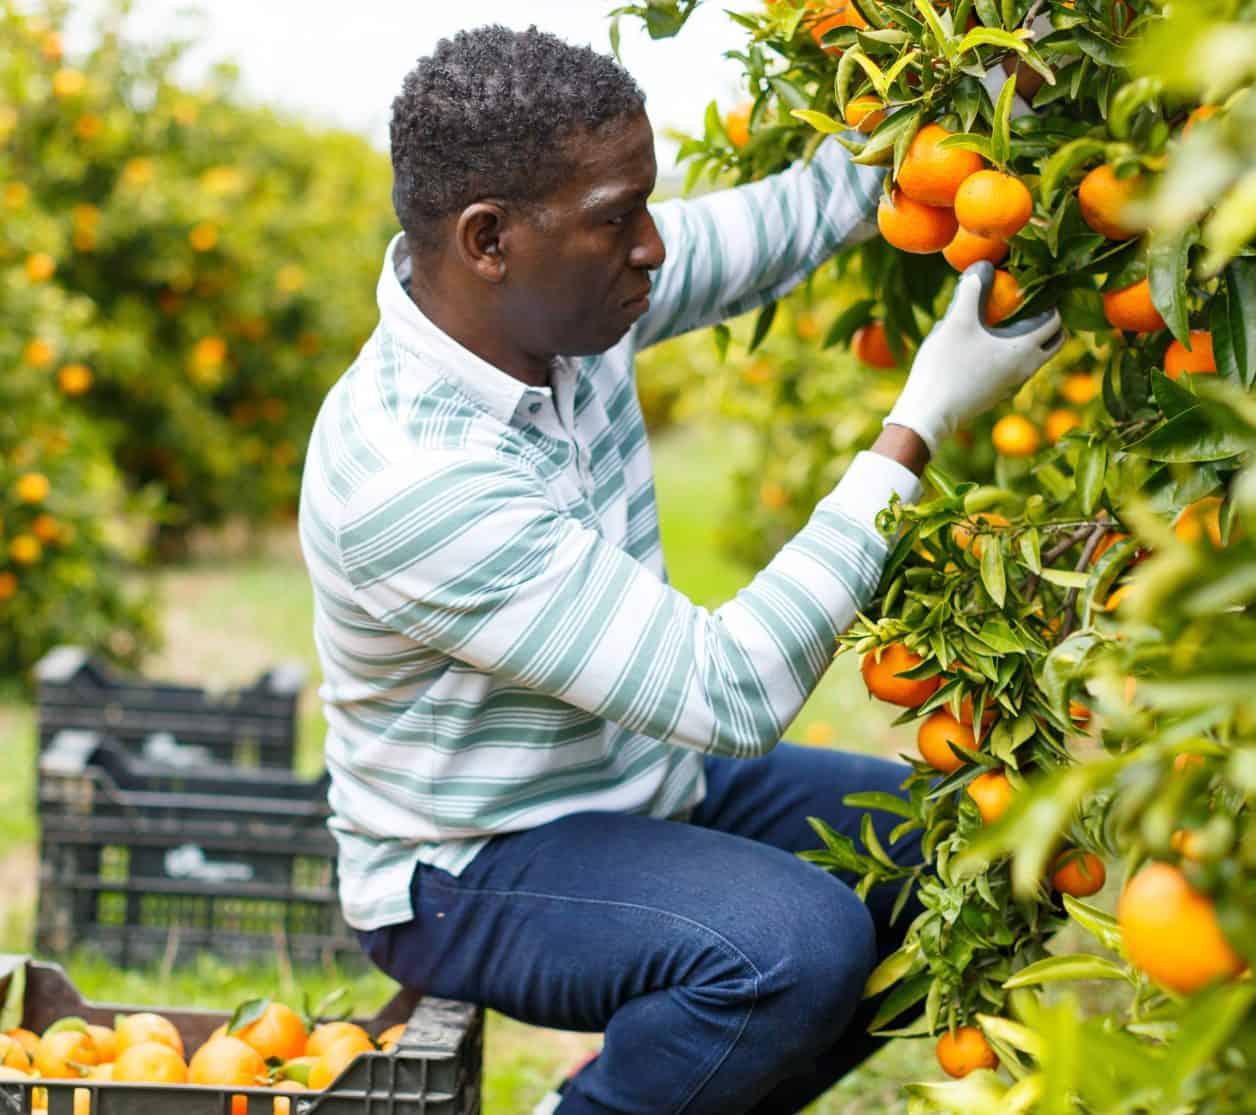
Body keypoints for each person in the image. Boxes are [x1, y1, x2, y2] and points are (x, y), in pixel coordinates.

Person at [297, 23, 1062, 1115]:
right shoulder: (411, 472)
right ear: (487, 239)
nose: (654, 246)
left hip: (643, 786)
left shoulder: (566, 307)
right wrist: (920, 418)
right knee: (794, 942)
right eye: (620, 219)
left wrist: (993, 73)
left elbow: (801, 213)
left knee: (974, 841)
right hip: (465, 866)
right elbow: (727, 687)